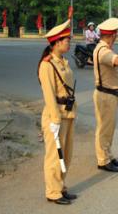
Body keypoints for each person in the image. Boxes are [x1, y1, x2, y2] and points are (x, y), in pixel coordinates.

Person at [37, 20, 77, 205]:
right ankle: (53, 192)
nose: (69, 42)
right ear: (57, 42)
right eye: (66, 39)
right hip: (56, 116)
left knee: (65, 155)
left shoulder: (64, 62)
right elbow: (49, 94)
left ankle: (60, 187)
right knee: (55, 156)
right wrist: (54, 119)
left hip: (67, 114)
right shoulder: (47, 64)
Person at [93, 18, 118, 172]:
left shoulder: (103, 48)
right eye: (115, 35)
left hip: (109, 94)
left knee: (108, 128)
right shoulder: (103, 51)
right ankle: (103, 160)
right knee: (104, 129)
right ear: (112, 35)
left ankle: (107, 155)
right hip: (106, 95)